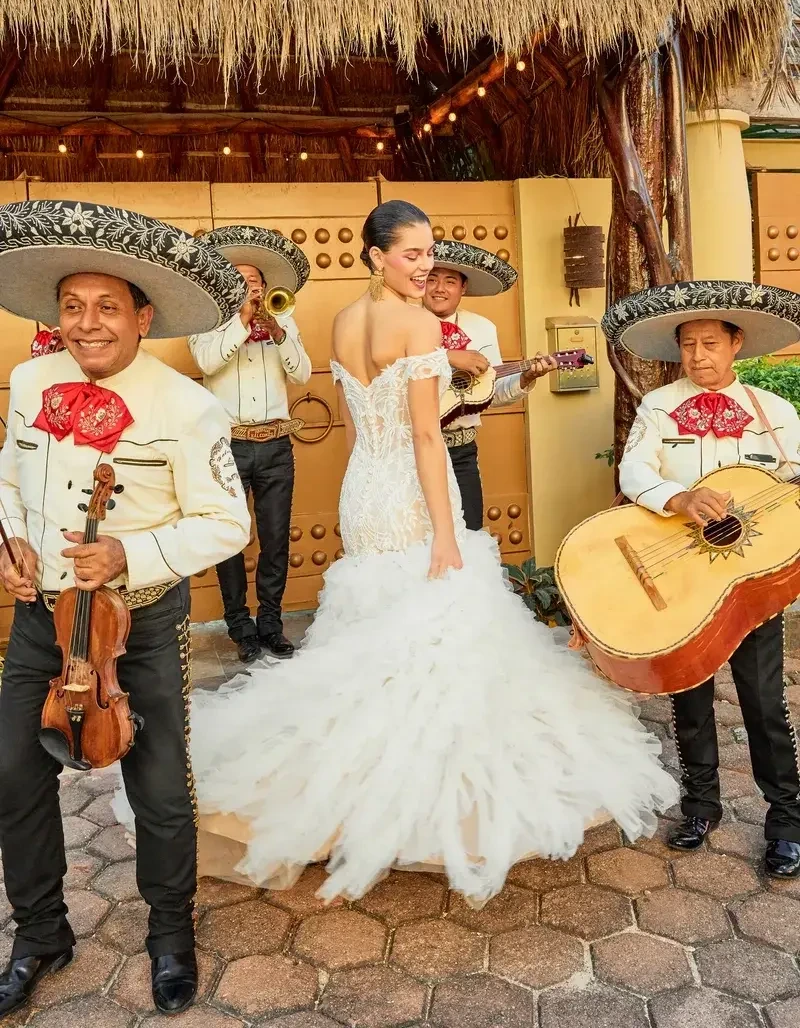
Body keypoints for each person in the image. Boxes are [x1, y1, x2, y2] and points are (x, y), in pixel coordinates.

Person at [115, 198, 676, 907]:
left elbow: (367, 421)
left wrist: (458, 368)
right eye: (411, 255)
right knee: (435, 621)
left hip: (363, 488)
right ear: (377, 256)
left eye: (429, 253)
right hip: (411, 489)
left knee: (380, 622)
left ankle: (355, 770)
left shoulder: (346, 322)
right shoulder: (415, 324)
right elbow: (425, 436)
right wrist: (446, 531)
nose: (425, 267)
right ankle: (422, 784)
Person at [0, 199, 251, 1019]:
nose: (86, 323)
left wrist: (128, 554)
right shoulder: (31, 381)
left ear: (143, 317)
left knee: (161, 788)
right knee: (11, 770)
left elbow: (226, 522)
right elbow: (10, 479)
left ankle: (171, 935)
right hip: (43, 616)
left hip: (134, 622)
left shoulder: (187, 406)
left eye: (107, 307)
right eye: (72, 306)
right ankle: (41, 934)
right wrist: (9, 544)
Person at [606, 279, 800, 877]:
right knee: (688, 693)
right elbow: (634, 468)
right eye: (688, 345)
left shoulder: (777, 415)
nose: (699, 356)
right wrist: (680, 497)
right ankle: (700, 805)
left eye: (711, 343)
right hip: (685, 576)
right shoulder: (660, 407)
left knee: (765, 701)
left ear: (736, 345)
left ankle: (787, 820)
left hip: (752, 582)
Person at [188, 226, 311, 664]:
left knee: (276, 540)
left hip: (276, 444)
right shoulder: (209, 323)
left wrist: (277, 331)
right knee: (230, 540)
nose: (251, 290)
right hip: (228, 448)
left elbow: (301, 373)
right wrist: (241, 320)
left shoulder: (284, 320)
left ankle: (272, 625)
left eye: (255, 283)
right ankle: (240, 627)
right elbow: (206, 362)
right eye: (241, 283)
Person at [423, 241, 556, 529]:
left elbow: (488, 394)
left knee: (468, 533)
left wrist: (526, 377)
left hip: (461, 452)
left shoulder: (481, 328)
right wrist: (447, 358)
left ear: (463, 288)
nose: (439, 288)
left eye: (449, 281)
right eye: (431, 279)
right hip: (411, 451)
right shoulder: (401, 325)